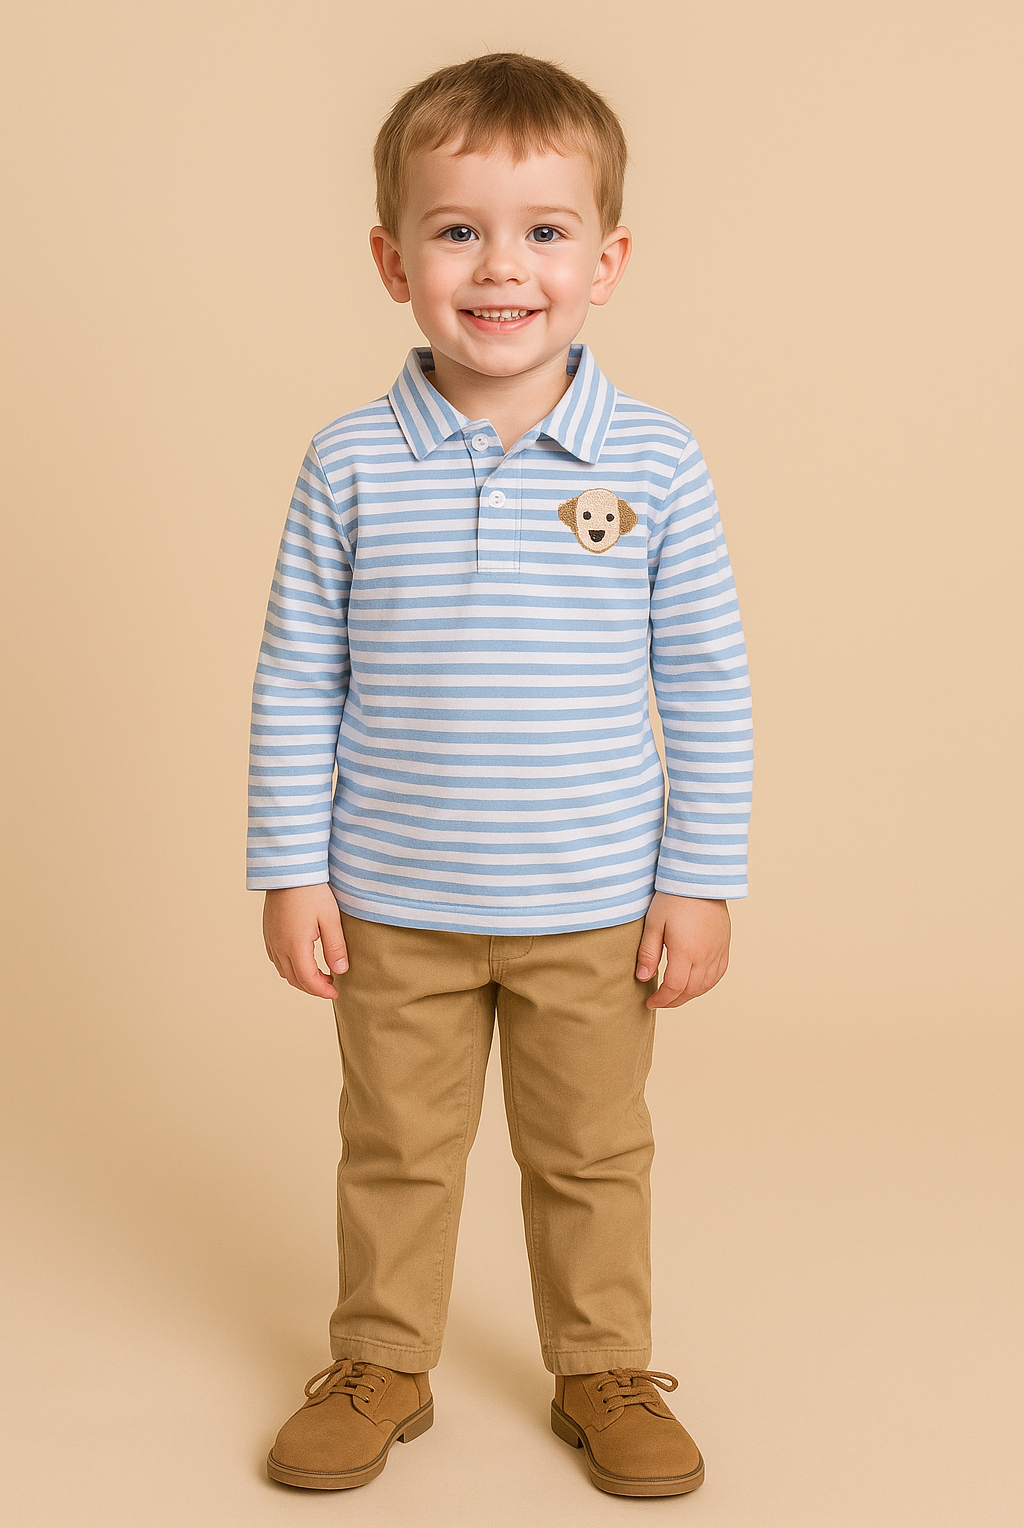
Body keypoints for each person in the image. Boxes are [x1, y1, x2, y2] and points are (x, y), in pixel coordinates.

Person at [246, 50, 753, 1499]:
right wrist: (290, 867)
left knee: (593, 1155)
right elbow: (298, 676)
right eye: (458, 228)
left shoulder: (655, 460)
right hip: (394, 899)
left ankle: (604, 1367)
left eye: (543, 231)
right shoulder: (348, 463)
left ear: (608, 259)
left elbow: (707, 682)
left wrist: (699, 881)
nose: (500, 266)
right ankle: (382, 1360)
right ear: (392, 256)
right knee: (395, 1151)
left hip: (594, 905)